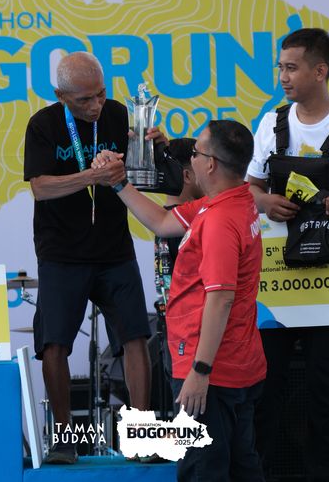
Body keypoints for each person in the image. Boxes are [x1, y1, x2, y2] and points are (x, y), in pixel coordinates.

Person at [94, 120, 266, 482]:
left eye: (196, 153)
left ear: (211, 165)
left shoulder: (220, 220)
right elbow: (161, 221)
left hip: (213, 371)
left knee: (203, 470)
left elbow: (220, 300)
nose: (192, 159)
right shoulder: (232, 200)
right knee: (240, 465)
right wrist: (120, 183)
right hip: (234, 362)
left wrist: (199, 372)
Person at [247, 27, 329, 482]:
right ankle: (259, 471)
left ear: (320, 71)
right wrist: (265, 201)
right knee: (266, 381)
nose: (282, 77)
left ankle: (327, 474)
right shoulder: (271, 124)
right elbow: (250, 188)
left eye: (292, 68)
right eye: (280, 67)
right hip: (278, 277)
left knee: (328, 383)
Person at [23, 51, 154, 465]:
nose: (96, 105)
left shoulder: (119, 115)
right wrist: (92, 176)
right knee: (54, 344)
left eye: (100, 94)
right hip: (61, 252)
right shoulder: (43, 125)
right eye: (84, 99)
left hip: (114, 249)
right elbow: (41, 187)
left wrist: (154, 146)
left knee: (135, 337)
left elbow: (144, 171)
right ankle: (64, 438)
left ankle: (142, 433)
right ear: (60, 95)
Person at [154, 137, 203, 415]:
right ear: (186, 175)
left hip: (172, 331)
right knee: (194, 418)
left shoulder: (165, 220)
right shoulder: (189, 221)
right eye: (203, 165)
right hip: (190, 335)